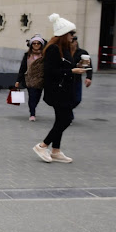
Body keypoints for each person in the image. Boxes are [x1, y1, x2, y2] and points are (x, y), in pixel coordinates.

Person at [33, 14, 87, 163]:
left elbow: (63, 67)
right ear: (64, 34)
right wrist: (71, 71)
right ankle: (42, 145)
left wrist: (76, 68)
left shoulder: (65, 48)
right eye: (71, 33)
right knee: (66, 119)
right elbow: (50, 71)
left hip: (64, 91)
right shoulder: (53, 49)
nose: (73, 37)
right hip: (57, 91)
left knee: (61, 120)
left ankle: (56, 151)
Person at [14, 35, 47, 121]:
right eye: (34, 43)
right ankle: (32, 113)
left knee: (37, 97)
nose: (36, 45)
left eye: (38, 43)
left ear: (41, 44)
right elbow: (22, 68)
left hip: (41, 79)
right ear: (31, 44)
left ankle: (33, 107)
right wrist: (18, 80)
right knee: (32, 96)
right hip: (30, 79)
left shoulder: (45, 55)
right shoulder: (27, 55)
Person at [70, 35, 93, 109]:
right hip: (66, 78)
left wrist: (88, 78)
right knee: (66, 98)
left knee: (77, 99)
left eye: (72, 42)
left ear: (75, 43)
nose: (70, 44)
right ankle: (68, 113)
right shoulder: (64, 52)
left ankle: (68, 111)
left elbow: (89, 66)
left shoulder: (82, 52)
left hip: (77, 79)